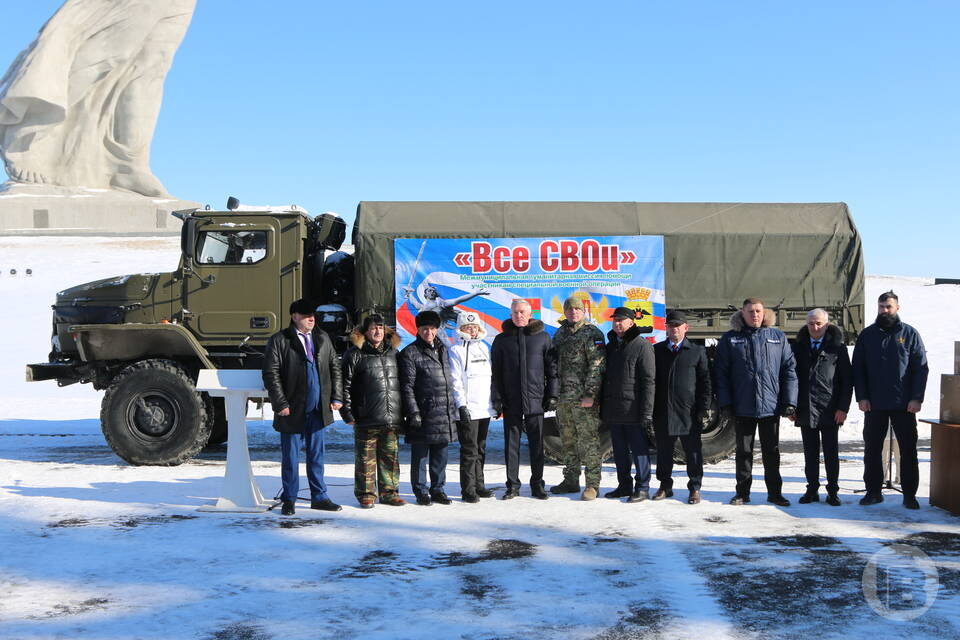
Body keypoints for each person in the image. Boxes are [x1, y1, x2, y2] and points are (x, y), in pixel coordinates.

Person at [263, 298, 344, 516]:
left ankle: (319, 497)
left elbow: (334, 367)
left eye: (313, 315)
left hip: (318, 409)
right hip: (291, 409)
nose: (311, 319)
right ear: (294, 316)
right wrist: (280, 403)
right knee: (290, 458)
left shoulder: (322, 338)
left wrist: (336, 396)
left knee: (317, 456)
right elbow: (271, 373)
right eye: (306, 315)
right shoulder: (280, 340)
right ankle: (289, 498)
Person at [716, 298, 797, 507]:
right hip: (743, 406)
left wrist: (789, 401)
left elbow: (789, 370)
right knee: (744, 452)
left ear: (764, 313)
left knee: (772, 452)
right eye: (750, 311)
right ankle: (742, 493)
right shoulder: (730, 339)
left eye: (758, 311)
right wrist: (725, 403)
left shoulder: (777, 337)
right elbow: (721, 373)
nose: (755, 315)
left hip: (770, 406)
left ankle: (775, 493)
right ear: (742, 313)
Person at [852, 291, 928, 509]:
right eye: (881, 307)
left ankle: (909, 494)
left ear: (897, 308)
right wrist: (862, 397)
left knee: (908, 449)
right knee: (872, 449)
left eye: (889, 307)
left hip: (904, 404)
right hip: (874, 403)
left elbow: (920, 369)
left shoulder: (910, 334)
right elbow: (858, 369)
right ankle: (873, 492)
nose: (884, 310)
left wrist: (916, 398)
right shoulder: (867, 335)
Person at [490, 299, 559, 500]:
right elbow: (495, 373)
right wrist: (497, 398)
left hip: (536, 401)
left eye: (522, 312)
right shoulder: (502, 339)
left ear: (530, 314)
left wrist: (552, 395)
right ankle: (512, 485)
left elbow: (552, 370)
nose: (519, 315)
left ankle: (537, 485)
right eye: (515, 312)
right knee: (511, 446)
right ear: (511, 314)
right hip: (511, 401)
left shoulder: (542, 338)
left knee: (537, 446)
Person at [340, 314, 406, 508]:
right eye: (373, 328)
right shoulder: (354, 354)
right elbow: (344, 386)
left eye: (380, 327)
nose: (377, 331)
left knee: (390, 458)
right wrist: (347, 412)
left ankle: (389, 492)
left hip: (391, 416)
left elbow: (403, 384)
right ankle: (366, 494)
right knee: (365, 459)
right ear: (365, 332)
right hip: (366, 416)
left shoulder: (394, 353)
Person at [789, 309, 852, 506]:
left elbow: (847, 381)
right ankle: (812, 489)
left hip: (830, 409)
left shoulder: (838, 349)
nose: (815, 328)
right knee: (810, 453)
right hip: (805, 407)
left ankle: (833, 491)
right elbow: (791, 378)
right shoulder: (797, 347)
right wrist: (791, 406)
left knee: (831, 453)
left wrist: (843, 408)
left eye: (819, 324)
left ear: (827, 324)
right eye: (811, 324)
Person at [398, 310, 460, 505]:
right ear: (418, 330)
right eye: (425, 329)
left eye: (432, 328)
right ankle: (420, 490)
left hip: (444, 411)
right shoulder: (410, 353)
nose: (429, 332)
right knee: (421, 456)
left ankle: (438, 489)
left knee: (440, 455)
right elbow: (407, 387)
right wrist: (413, 412)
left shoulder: (443, 349)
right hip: (423, 412)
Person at [550, 296, 606, 501]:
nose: (573, 312)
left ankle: (592, 484)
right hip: (564, 398)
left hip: (584, 399)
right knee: (567, 441)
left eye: (577, 309)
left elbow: (597, 365)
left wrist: (590, 394)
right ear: (565, 312)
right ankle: (571, 479)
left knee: (589, 441)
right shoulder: (560, 333)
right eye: (569, 309)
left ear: (583, 311)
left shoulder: (592, 333)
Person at [652, 310, 712, 505]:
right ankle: (665, 486)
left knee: (693, 452)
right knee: (664, 452)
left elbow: (705, 382)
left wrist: (703, 408)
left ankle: (694, 487)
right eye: (670, 326)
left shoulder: (696, 351)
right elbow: (650, 381)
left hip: (689, 412)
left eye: (678, 326)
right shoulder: (657, 350)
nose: (674, 329)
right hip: (663, 411)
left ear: (686, 328)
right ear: (666, 328)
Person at [601, 307, 655, 502]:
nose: (617, 324)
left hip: (634, 409)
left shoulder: (642, 346)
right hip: (615, 410)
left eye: (621, 320)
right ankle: (624, 485)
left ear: (631, 323)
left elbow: (649, 381)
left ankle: (643, 488)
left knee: (639, 451)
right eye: (615, 320)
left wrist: (647, 412)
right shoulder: (611, 346)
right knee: (620, 452)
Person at [448, 311, 496, 503]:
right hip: (468, 409)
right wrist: (461, 405)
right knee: (469, 450)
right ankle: (468, 489)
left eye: (475, 327)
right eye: (468, 328)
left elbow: (489, 379)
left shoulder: (484, 348)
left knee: (481, 448)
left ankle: (479, 485)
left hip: (484, 408)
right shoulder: (456, 350)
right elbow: (455, 380)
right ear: (461, 329)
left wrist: (493, 404)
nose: (472, 331)